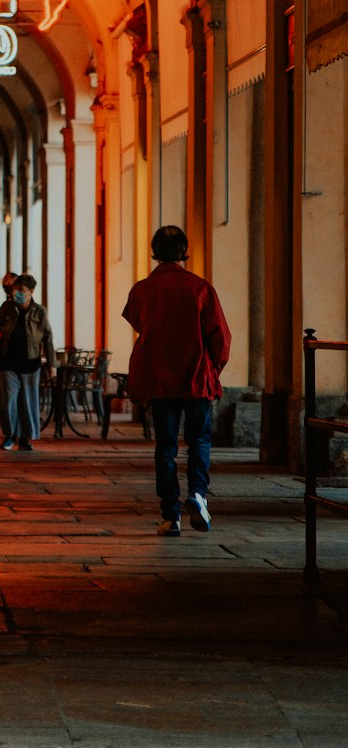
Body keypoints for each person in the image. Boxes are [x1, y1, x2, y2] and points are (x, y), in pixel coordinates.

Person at [123, 225, 232, 537]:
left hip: (160, 380)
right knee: (199, 441)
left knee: (166, 447)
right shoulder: (200, 288)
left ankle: (171, 516)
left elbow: (138, 323)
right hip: (196, 378)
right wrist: (213, 369)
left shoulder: (142, 290)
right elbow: (220, 336)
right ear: (185, 251)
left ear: (155, 252)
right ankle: (198, 494)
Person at [0, 273, 56, 452]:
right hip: (7, 361)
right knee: (8, 400)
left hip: (30, 363)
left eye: (22, 290)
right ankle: (10, 434)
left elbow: (48, 338)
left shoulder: (39, 311)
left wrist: (52, 364)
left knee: (27, 401)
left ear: (31, 291)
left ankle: (25, 438)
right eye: (16, 289)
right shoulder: (7, 307)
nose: (18, 293)